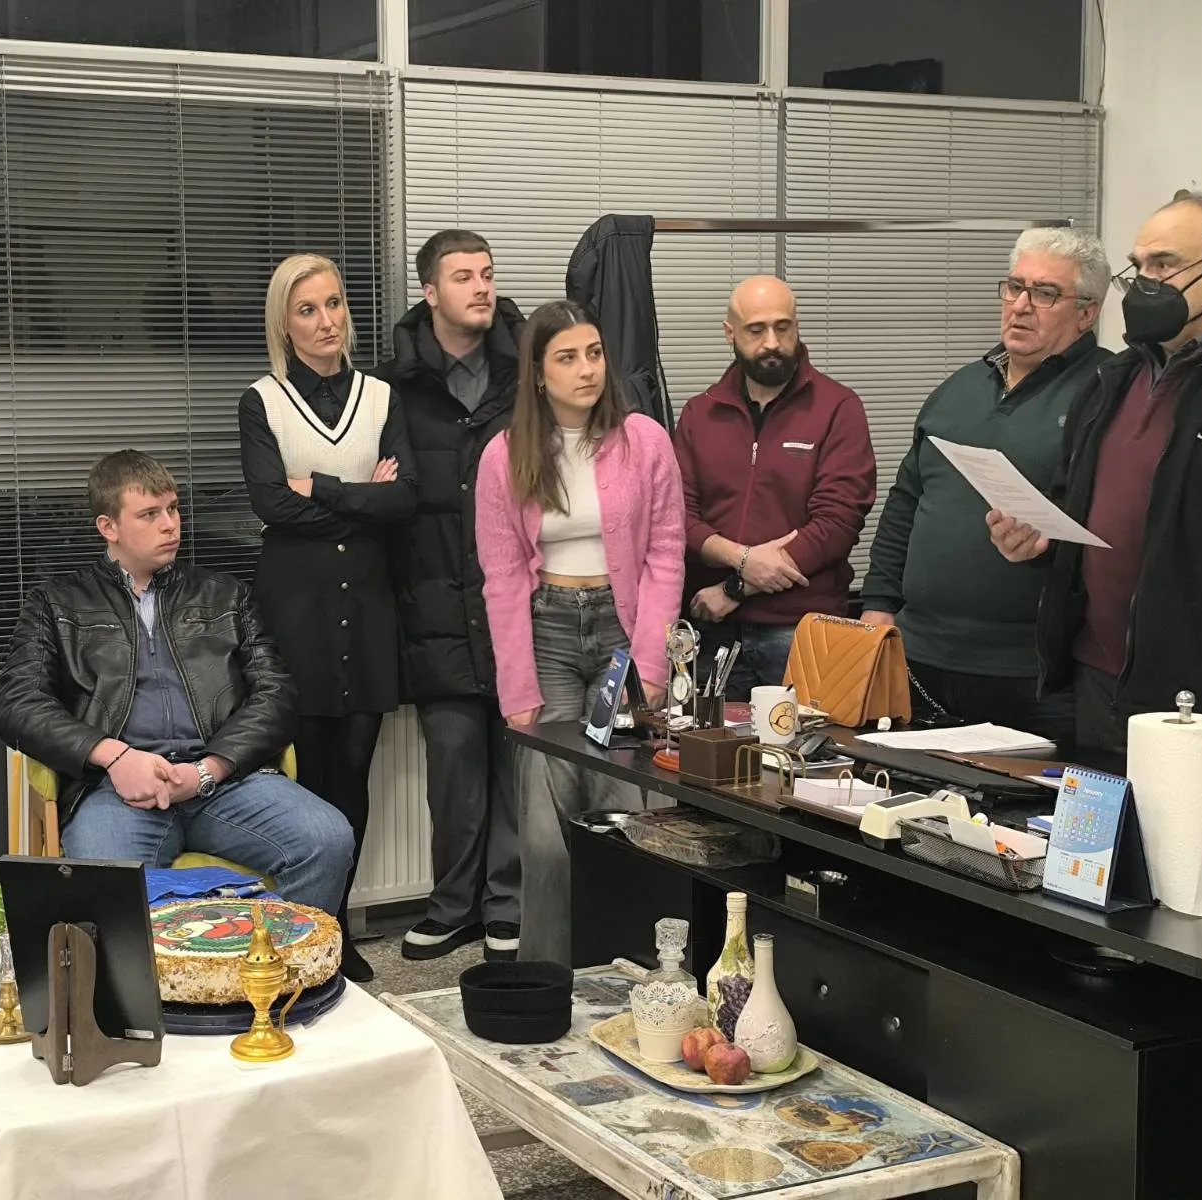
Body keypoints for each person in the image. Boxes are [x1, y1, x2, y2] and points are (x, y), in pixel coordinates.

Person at [0, 450, 355, 921]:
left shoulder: (225, 596)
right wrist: (115, 757)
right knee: (104, 880)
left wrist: (208, 769)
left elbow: (276, 695)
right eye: (149, 514)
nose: (170, 525)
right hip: (118, 790)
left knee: (328, 839)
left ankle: (275, 965)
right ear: (109, 527)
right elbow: (19, 704)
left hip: (223, 783)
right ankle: (165, 971)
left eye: (173, 509)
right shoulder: (57, 604)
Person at [989, 192, 1202, 765]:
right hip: (1096, 681)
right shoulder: (1114, 379)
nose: (1144, 283)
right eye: (1138, 266)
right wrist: (1038, 541)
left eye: (1164, 264)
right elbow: (1075, 506)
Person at [476, 300, 685, 965]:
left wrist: (650, 664)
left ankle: (636, 973)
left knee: (627, 808)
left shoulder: (645, 440)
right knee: (547, 823)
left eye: (594, 353)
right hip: (550, 636)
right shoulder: (504, 455)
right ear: (538, 374)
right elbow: (502, 575)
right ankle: (547, 975)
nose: (587, 369)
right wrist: (517, 688)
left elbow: (666, 552)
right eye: (567, 358)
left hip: (624, 633)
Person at [237, 254, 416, 982]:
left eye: (335, 303)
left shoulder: (381, 397)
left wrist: (321, 488)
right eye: (307, 309)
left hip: (367, 606)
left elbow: (406, 500)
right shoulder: (263, 400)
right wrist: (361, 498)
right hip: (296, 606)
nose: (326, 320)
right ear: (284, 323)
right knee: (308, 772)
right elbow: (269, 504)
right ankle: (308, 928)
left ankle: (336, 927)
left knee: (354, 770)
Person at [860, 228, 1112, 741]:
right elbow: (906, 502)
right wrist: (877, 606)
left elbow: (1120, 525)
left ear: (1087, 313)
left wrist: (1048, 546)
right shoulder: (959, 388)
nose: (1021, 306)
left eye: (1045, 293)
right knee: (902, 791)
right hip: (920, 657)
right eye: (1014, 287)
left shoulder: (1109, 392)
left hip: (1033, 675)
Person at [375, 230, 527, 964]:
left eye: (487, 273)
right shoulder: (391, 388)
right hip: (433, 601)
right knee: (455, 764)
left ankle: (509, 904)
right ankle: (452, 906)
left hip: (518, 604)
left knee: (518, 764)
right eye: (462, 276)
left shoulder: (529, 373)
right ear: (430, 291)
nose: (481, 287)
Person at [673, 277, 876, 698]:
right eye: (756, 330)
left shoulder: (838, 408)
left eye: (783, 327)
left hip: (802, 631)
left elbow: (837, 523)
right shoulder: (700, 413)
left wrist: (736, 586)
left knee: (807, 743)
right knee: (710, 742)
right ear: (729, 333)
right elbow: (679, 517)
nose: (772, 343)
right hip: (713, 633)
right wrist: (743, 559)